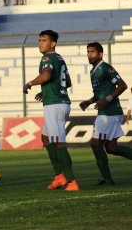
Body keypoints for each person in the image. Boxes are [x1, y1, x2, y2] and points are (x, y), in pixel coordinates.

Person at [23, 30, 80, 192]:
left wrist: (30, 83)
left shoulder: (48, 58)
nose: (40, 43)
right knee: (46, 138)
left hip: (55, 105)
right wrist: (46, 90)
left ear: (53, 43)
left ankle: (72, 181)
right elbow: (67, 82)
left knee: (58, 142)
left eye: (44, 40)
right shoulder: (60, 58)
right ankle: (59, 177)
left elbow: (46, 76)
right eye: (39, 40)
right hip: (56, 101)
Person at [80, 42, 132, 185]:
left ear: (100, 54)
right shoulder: (93, 71)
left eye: (92, 52)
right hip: (108, 112)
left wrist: (107, 100)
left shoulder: (105, 68)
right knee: (111, 148)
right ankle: (107, 178)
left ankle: (107, 179)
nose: (89, 54)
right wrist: (89, 101)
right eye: (88, 52)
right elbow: (99, 94)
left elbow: (123, 85)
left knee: (96, 144)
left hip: (109, 113)